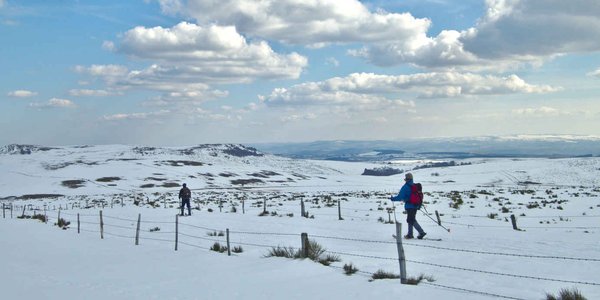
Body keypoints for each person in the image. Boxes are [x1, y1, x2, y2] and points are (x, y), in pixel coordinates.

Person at [391, 173, 426, 239]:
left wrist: (393, 199)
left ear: (406, 179)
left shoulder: (405, 187)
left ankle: (421, 232)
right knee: (411, 219)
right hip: (415, 205)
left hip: (410, 206)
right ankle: (410, 234)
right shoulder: (414, 186)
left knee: (411, 220)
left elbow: (400, 197)